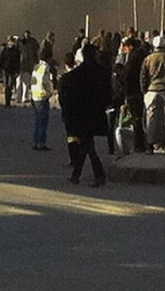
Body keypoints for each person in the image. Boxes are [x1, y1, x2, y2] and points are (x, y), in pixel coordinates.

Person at [60, 43, 112, 187]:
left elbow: (67, 94)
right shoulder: (102, 72)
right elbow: (109, 96)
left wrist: (68, 112)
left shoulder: (76, 74)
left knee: (87, 144)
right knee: (87, 144)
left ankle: (95, 175)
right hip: (96, 114)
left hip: (81, 115)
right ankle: (80, 175)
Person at [140, 36, 165, 155]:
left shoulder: (148, 59)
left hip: (152, 90)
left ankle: (150, 146)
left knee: (151, 119)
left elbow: (143, 76)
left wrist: (144, 90)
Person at [30, 47, 57, 151]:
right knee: (43, 121)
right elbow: (45, 82)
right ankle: (41, 143)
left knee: (37, 120)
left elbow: (33, 81)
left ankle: (36, 141)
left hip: (35, 95)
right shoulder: (46, 68)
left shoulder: (37, 67)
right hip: (42, 96)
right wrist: (50, 92)